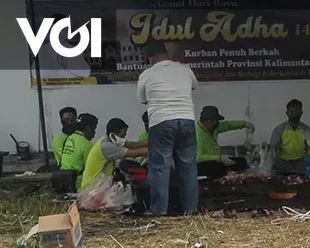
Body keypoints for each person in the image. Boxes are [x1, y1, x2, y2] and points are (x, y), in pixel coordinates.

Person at [137, 41, 199, 216]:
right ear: (166, 53)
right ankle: (190, 210)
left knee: (160, 167)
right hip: (187, 120)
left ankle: (159, 210)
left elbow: (142, 99)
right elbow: (194, 86)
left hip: (161, 122)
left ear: (150, 58)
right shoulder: (185, 69)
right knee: (188, 167)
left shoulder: (147, 75)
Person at [80, 118, 148, 191]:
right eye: (123, 133)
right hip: (93, 188)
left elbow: (132, 145)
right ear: (114, 134)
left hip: (100, 185)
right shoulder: (107, 146)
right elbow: (134, 153)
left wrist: (153, 141)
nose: (125, 135)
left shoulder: (111, 140)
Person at [195, 106, 254, 179]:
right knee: (218, 169)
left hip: (216, 160)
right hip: (201, 165)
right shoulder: (197, 133)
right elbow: (199, 157)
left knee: (241, 162)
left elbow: (227, 125)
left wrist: (244, 124)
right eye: (216, 121)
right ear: (209, 121)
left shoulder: (213, 127)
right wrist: (220, 158)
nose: (217, 123)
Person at [270, 99, 310, 174]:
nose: (294, 114)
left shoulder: (307, 130)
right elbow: (273, 150)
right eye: (291, 112)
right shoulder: (279, 129)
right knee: (274, 164)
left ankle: (294, 172)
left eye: (297, 112)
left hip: (302, 161)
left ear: (301, 113)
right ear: (287, 113)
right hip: (284, 162)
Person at [60, 113, 98, 189]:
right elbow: (91, 170)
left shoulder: (69, 138)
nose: (94, 132)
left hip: (63, 181)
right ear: (88, 128)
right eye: (94, 128)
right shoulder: (88, 145)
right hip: (78, 186)